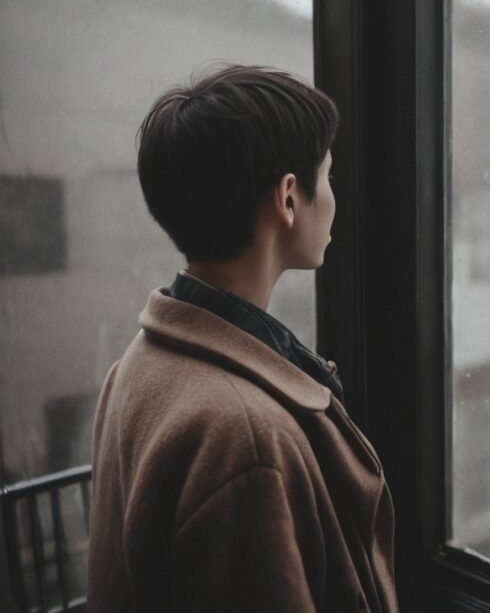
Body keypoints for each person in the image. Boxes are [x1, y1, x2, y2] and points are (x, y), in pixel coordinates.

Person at [88, 64, 398, 612]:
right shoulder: (245, 437)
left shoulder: (138, 364)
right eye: (327, 177)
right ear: (287, 199)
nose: (332, 197)